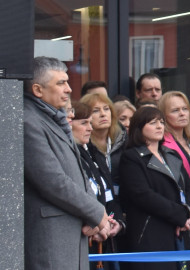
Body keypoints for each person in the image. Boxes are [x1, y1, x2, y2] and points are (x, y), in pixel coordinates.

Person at [24, 56, 113, 270]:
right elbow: (51, 180)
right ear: (37, 90)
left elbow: (79, 175)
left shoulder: (51, 118)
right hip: (52, 238)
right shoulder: (28, 121)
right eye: (61, 83)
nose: (70, 89)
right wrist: (96, 212)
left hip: (71, 234)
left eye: (67, 81)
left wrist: (93, 214)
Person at [117, 105, 190, 269]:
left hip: (180, 230)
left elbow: (189, 187)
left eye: (161, 122)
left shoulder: (171, 154)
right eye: (153, 123)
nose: (160, 126)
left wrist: (188, 213)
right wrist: (180, 215)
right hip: (151, 232)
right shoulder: (131, 157)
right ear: (139, 127)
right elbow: (142, 195)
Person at [70, 101, 124, 268]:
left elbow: (108, 193)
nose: (90, 128)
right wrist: (97, 223)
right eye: (83, 123)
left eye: (89, 123)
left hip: (105, 235)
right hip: (86, 236)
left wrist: (118, 222)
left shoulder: (94, 153)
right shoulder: (72, 156)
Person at [159, 91, 190, 248]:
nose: (182, 113)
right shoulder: (161, 144)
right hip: (181, 213)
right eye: (175, 110)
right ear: (164, 116)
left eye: (185, 109)